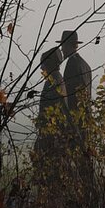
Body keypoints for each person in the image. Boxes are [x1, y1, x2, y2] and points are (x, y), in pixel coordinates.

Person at [56, 30, 94, 198]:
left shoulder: (71, 65)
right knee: (84, 163)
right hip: (86, 121)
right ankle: (89, 196)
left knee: (70, 164)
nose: (62, 50)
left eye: (63, 46)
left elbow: (68, 97)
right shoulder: (86, 65)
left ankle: (76, 198)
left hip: (73, 123)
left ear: (68, 46)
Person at [33, 46, 68, 187]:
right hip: (53, 139)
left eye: (44, 64)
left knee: (49, 181)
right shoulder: (57, 80)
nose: (42, 68)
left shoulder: (53, 82)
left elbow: (49, 114)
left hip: (51, 141)